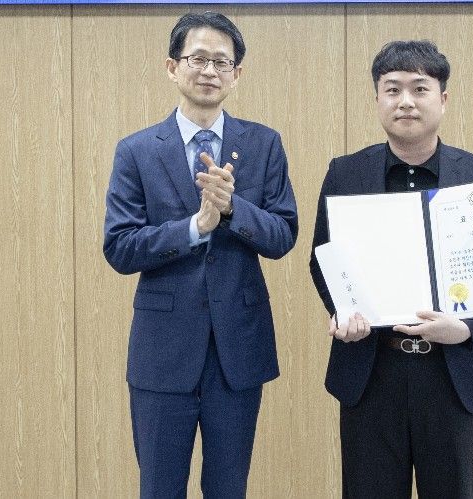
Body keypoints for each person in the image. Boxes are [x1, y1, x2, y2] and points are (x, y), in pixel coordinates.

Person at [104, 11, 298, 498]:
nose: (210, 71)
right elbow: (120, 247)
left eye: (222, 62)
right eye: (198, 59)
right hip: (162, 352)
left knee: (229, 488)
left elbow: (282, 236)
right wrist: (195, 227)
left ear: (237, 74)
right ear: (173, 67)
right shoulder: (137, 150)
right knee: (159, 488)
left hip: (238, 350)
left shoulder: (263, 144)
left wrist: (233, 209)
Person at [309, 40, 473, 499]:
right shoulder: (345, 173)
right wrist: (345, 311)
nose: (406, 101)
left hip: (454, 376)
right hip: (372, 371)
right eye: (392, 89)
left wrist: (467, 327)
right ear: (377, 98)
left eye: (420, 88)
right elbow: (323, 258)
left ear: (443, 98)